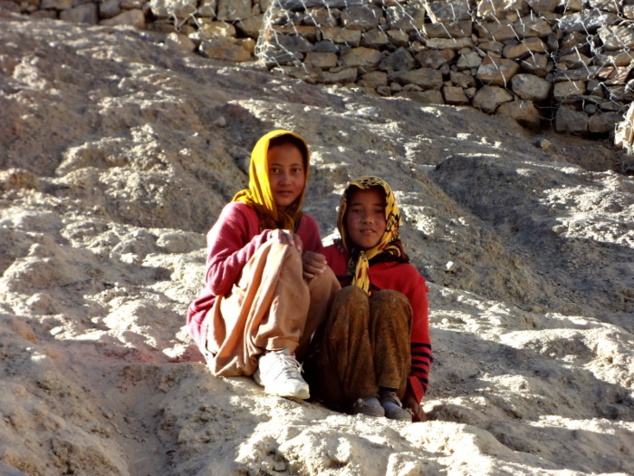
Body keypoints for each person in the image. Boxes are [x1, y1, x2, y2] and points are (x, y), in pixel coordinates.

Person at [187, 130, 340, 400]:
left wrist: (299, 262)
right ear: (258, 171)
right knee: (281, 246)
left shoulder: (306, 225)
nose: (286, 180)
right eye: (274, 170)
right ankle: (274, 352)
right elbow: (216, 281)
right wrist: (263, 244)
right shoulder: (238, 213)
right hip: (229, 330)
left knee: (323, 276)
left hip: (277, 341)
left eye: (295, 170)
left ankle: (286, 357)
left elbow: (311, 291)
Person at [306, 176, 432, 422]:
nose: (368, 219)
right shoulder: (326, 260)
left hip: (393, 393)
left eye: (378, 211)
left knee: (389, 300)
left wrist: (413, 398)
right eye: (357, 211)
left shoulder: (405, 274)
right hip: (333, 379)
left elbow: (419, 342)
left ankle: (387, 395)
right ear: (343, 216)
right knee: (351, 295)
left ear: (391, 219)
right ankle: (364, 396)